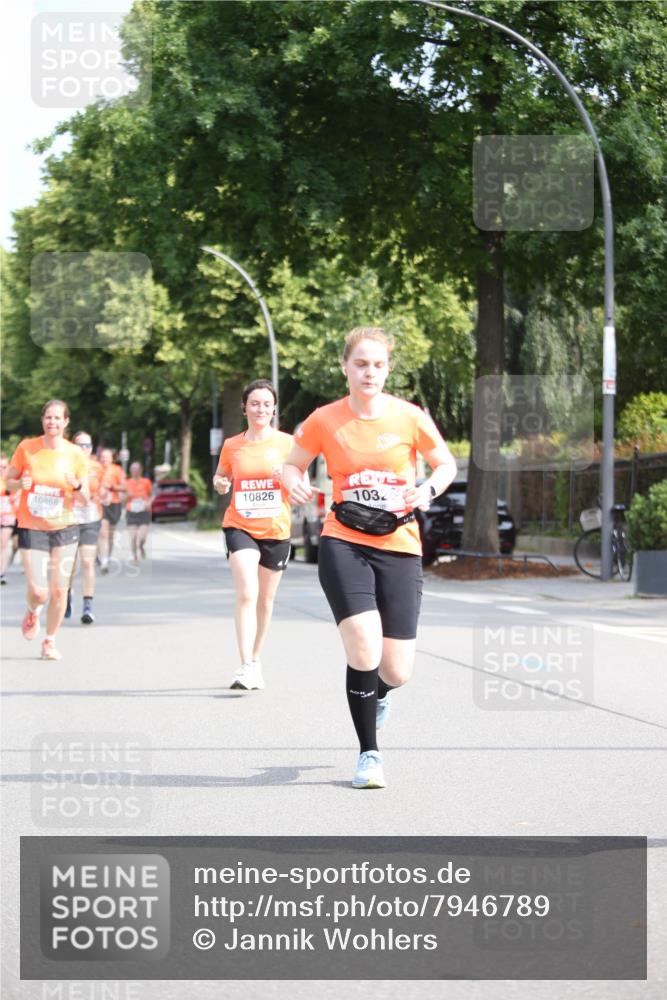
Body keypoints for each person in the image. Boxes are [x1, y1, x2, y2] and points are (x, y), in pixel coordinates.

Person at [283, 327, 457, 789]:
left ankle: (378, 693)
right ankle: (369, 754)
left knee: (396, 669)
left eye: (378, 364)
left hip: (399, 544)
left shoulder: (410, 417)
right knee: (363, 643)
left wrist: (428, 489)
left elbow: (447, 464)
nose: (369, 372)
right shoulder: (325, 419)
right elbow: (291, 462)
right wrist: (290, 480)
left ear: (388, 370)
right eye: (361, 363)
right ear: (345, 367)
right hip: (344, 540)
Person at [214, 379, 293, 691]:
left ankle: (256, 659)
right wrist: (220, 483)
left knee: (265, 599)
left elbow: (299, 481)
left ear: (274, 408)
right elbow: (221, 476)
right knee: (247, 593)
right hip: (240, 525)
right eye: (255, 403)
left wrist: (286, 476)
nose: (261, 408)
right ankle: (245, 664)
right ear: (244, 407)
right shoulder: (233, 445)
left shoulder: (288, 444)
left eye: (266, 403)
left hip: (276, 529)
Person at [5, 400, 89, 660]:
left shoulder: (75, 454)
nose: (52, 422)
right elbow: (8, 481)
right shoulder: (27, 448)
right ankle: (33, 610)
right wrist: (20, 483)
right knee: (40, 590)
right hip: (33, 525)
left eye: (57, 418)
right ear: (43, 421)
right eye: (48, 417)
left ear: (66, 422)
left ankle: (49, 641)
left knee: (59, 589)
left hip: (65, 525)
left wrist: (76, 486)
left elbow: (85, 497)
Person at [65, 431, 103, 624]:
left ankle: (88, 606)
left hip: (90, 518)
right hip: (69, 518)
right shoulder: (64, 466)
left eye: (87, 445)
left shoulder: (97, 467)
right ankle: (67, 595)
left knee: (87, 561)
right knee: (69, 565)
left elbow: (103, 489)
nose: (84, 449)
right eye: (80, 445)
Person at [97, 448, 126, 573]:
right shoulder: (95, 469)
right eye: (102, 457)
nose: (104, 459)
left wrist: (112, 487)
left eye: (107, 457)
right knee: (103, 532)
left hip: (114, 504)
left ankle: (107, 557)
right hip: (99, 503)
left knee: (110, 534)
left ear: (112, 459)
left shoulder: (117, 470)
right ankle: (103, 560)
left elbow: (124, 487)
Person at [124, 462, 154, 562]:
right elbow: (121, 499)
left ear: (140, 471)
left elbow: (152, 495)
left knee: (142, 537)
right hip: (131, 511)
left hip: (144, 511)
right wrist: (126, 496)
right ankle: (135, 557)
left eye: (136, 469)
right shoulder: (127, 483)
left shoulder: (146, 482)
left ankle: (141, 547)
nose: (134, 472)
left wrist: (148, 503)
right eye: (132, 470)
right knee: (133, 537)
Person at [0, 453, 17, 584]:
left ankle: (1, 573)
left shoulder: (11, 480)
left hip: (8, 515)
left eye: (5, 466)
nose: (2, 469)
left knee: (3, 543)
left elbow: (20, 493)